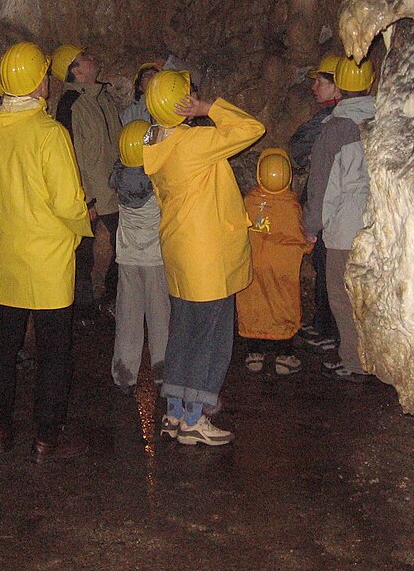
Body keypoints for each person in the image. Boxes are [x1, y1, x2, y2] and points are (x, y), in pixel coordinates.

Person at [0, 41, 92, 462]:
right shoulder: (49, 134)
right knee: (54, 351)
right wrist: (77, 230)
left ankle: (0, 425)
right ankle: (45, 433)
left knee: (4, 343)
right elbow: (68, 203)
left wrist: (6, 220)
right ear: (41, 81)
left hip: (10, 256)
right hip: (50, 259)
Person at [142, 70, 264, 446]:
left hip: (180, 253)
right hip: (208, 255)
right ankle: (195, 418)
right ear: (182, 101)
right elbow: (250, 127)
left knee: (183, 334)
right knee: (211, 338)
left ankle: (175, 412)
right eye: (189, 94)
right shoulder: (193, 142)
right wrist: (209, 107)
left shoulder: (155, 144)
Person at [303, 56, 376, 383]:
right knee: (369, 296)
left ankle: (354, 360)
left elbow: (320, 186)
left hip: (345, 226)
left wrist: (311, 226)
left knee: (341, 294)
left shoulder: (335, 128)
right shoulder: (382, 118)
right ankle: (377, 358)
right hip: (377, 224)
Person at [52, 44, 123, 321]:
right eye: (84, 58)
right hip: (91, 194)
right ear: (75, 70)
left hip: (115, 190)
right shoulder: (71, 104)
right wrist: (85, 198)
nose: (92, 59)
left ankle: (112, 298)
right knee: (83, 254)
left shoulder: (103, 98)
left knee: (125, 250)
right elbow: (69, 154)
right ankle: (81, 309)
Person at [236, 148, 313, 375]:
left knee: (253, 304)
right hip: (282, 271)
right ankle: (283, 356)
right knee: (283, 305)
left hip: (254, 266)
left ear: (260, 174)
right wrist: (308, 245)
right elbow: (298, 237)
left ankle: (255, 354)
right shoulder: (290, 204)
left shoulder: (249, 200)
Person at [108, 119, 170, 392]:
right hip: (155, 257)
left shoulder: (119, 178)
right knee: (160, 316)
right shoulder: (158, 179)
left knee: (128, 315)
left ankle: (124, 373)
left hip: (128, 256)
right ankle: (162, 370)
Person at [288, 54, 342, 353]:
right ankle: (323, 322)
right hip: (326, 200)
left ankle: (333, 332)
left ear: (337, 88)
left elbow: (298, 145)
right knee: (323, 265)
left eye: (321, 81)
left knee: (330, 267)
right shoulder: (326, 118)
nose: (314, 87)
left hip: (332, 204)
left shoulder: (333, 120)